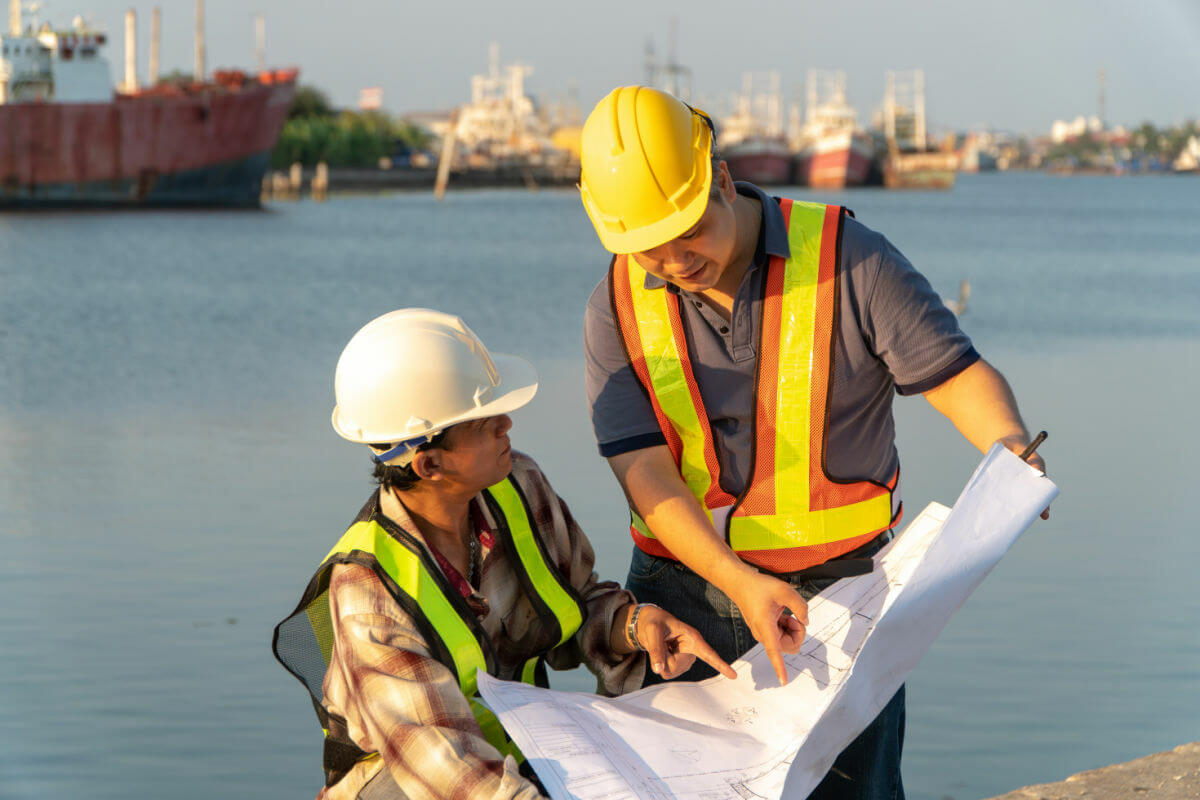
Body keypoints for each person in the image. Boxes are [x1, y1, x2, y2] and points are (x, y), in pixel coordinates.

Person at [578, 86, 1049, 800]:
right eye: (647, 246)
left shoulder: (848, 259)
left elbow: (954, 376)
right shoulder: (616, 301)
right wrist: (737, 580)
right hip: (679, 602)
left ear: (723, 179)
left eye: (688, 230)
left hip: (840, 602)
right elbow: (644, 470)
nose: (674, 259)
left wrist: (1010, 446)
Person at [273, 308, 734, 800]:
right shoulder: (368, 592)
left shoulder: (519, 485)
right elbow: (437, 762)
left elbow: (577, 602)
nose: (507, 424)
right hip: (406, 783)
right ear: (429, 463)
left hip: (525, 746)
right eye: (484, 422)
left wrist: (633, 627)